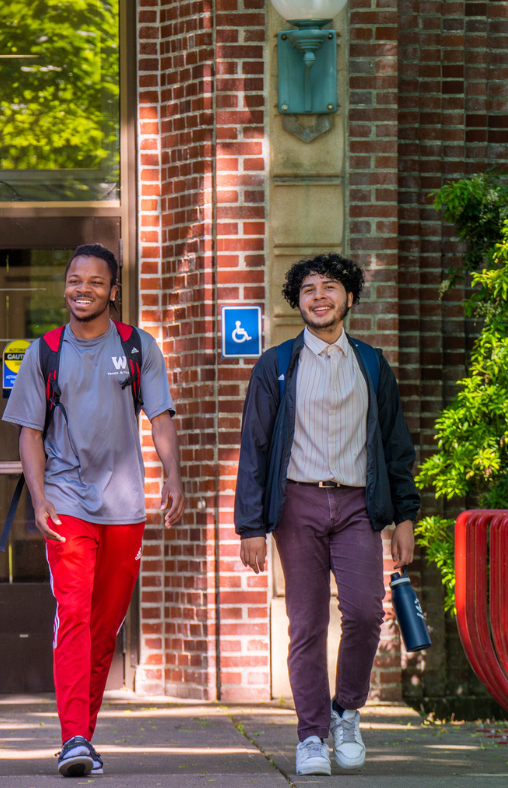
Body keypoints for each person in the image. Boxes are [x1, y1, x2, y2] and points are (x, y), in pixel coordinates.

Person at [3, 243, 185, 777]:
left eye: (94, 282)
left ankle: (85, 734)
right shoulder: (44, 351)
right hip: (66, 503)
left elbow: (162, 417)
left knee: (105, 628)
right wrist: (39, 500)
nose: (82, 289)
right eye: (74, 280)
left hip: (125, 506)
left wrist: (173, 475)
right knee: (75, 616)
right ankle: (73, 737)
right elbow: (29, 434)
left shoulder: (136, 347)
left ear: (113, 290)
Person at [235, 253, 420, 776]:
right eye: (309, 289)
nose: (320, 296)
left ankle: (346, 712)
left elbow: (395, 446)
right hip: (299, 505)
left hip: (361, 505)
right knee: (307, 624)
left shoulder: (372, 364)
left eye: (330, 287)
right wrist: (251, 525)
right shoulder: (275, 365)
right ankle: (312, 734)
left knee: (365, 613)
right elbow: (256, 448)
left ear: (349, 298)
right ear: (298, 301)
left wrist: (404, 516)